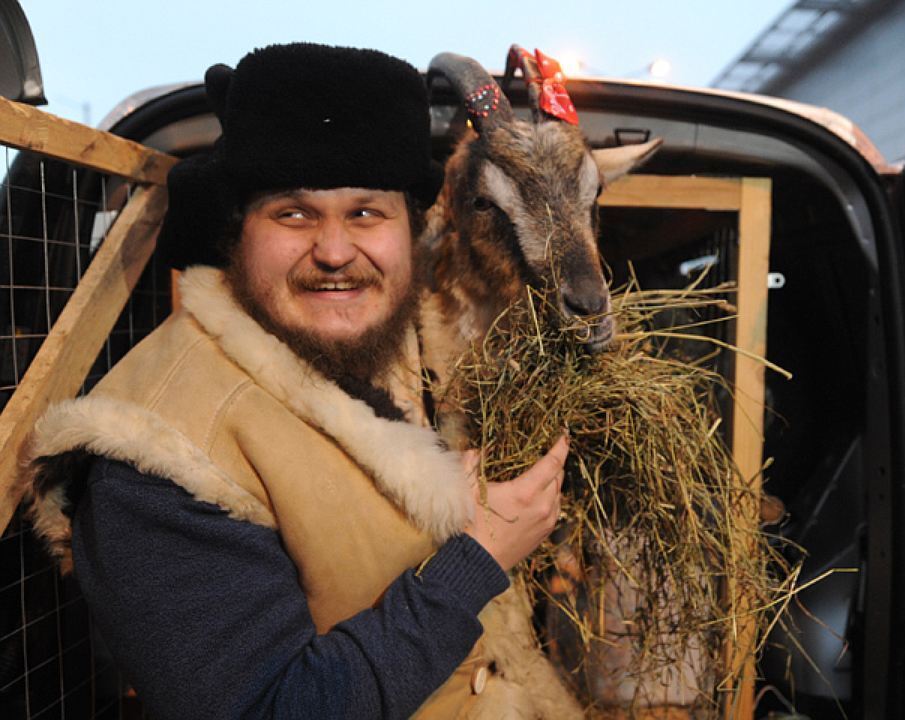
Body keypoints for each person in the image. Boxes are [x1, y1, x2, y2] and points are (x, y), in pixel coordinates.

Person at [25, 43, 568, 719]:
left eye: (366, 212)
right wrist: (476, 560)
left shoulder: (395, 349)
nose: (335, 251)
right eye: (294, 214)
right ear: (238, 232)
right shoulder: (157, 454)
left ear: (412, 230)